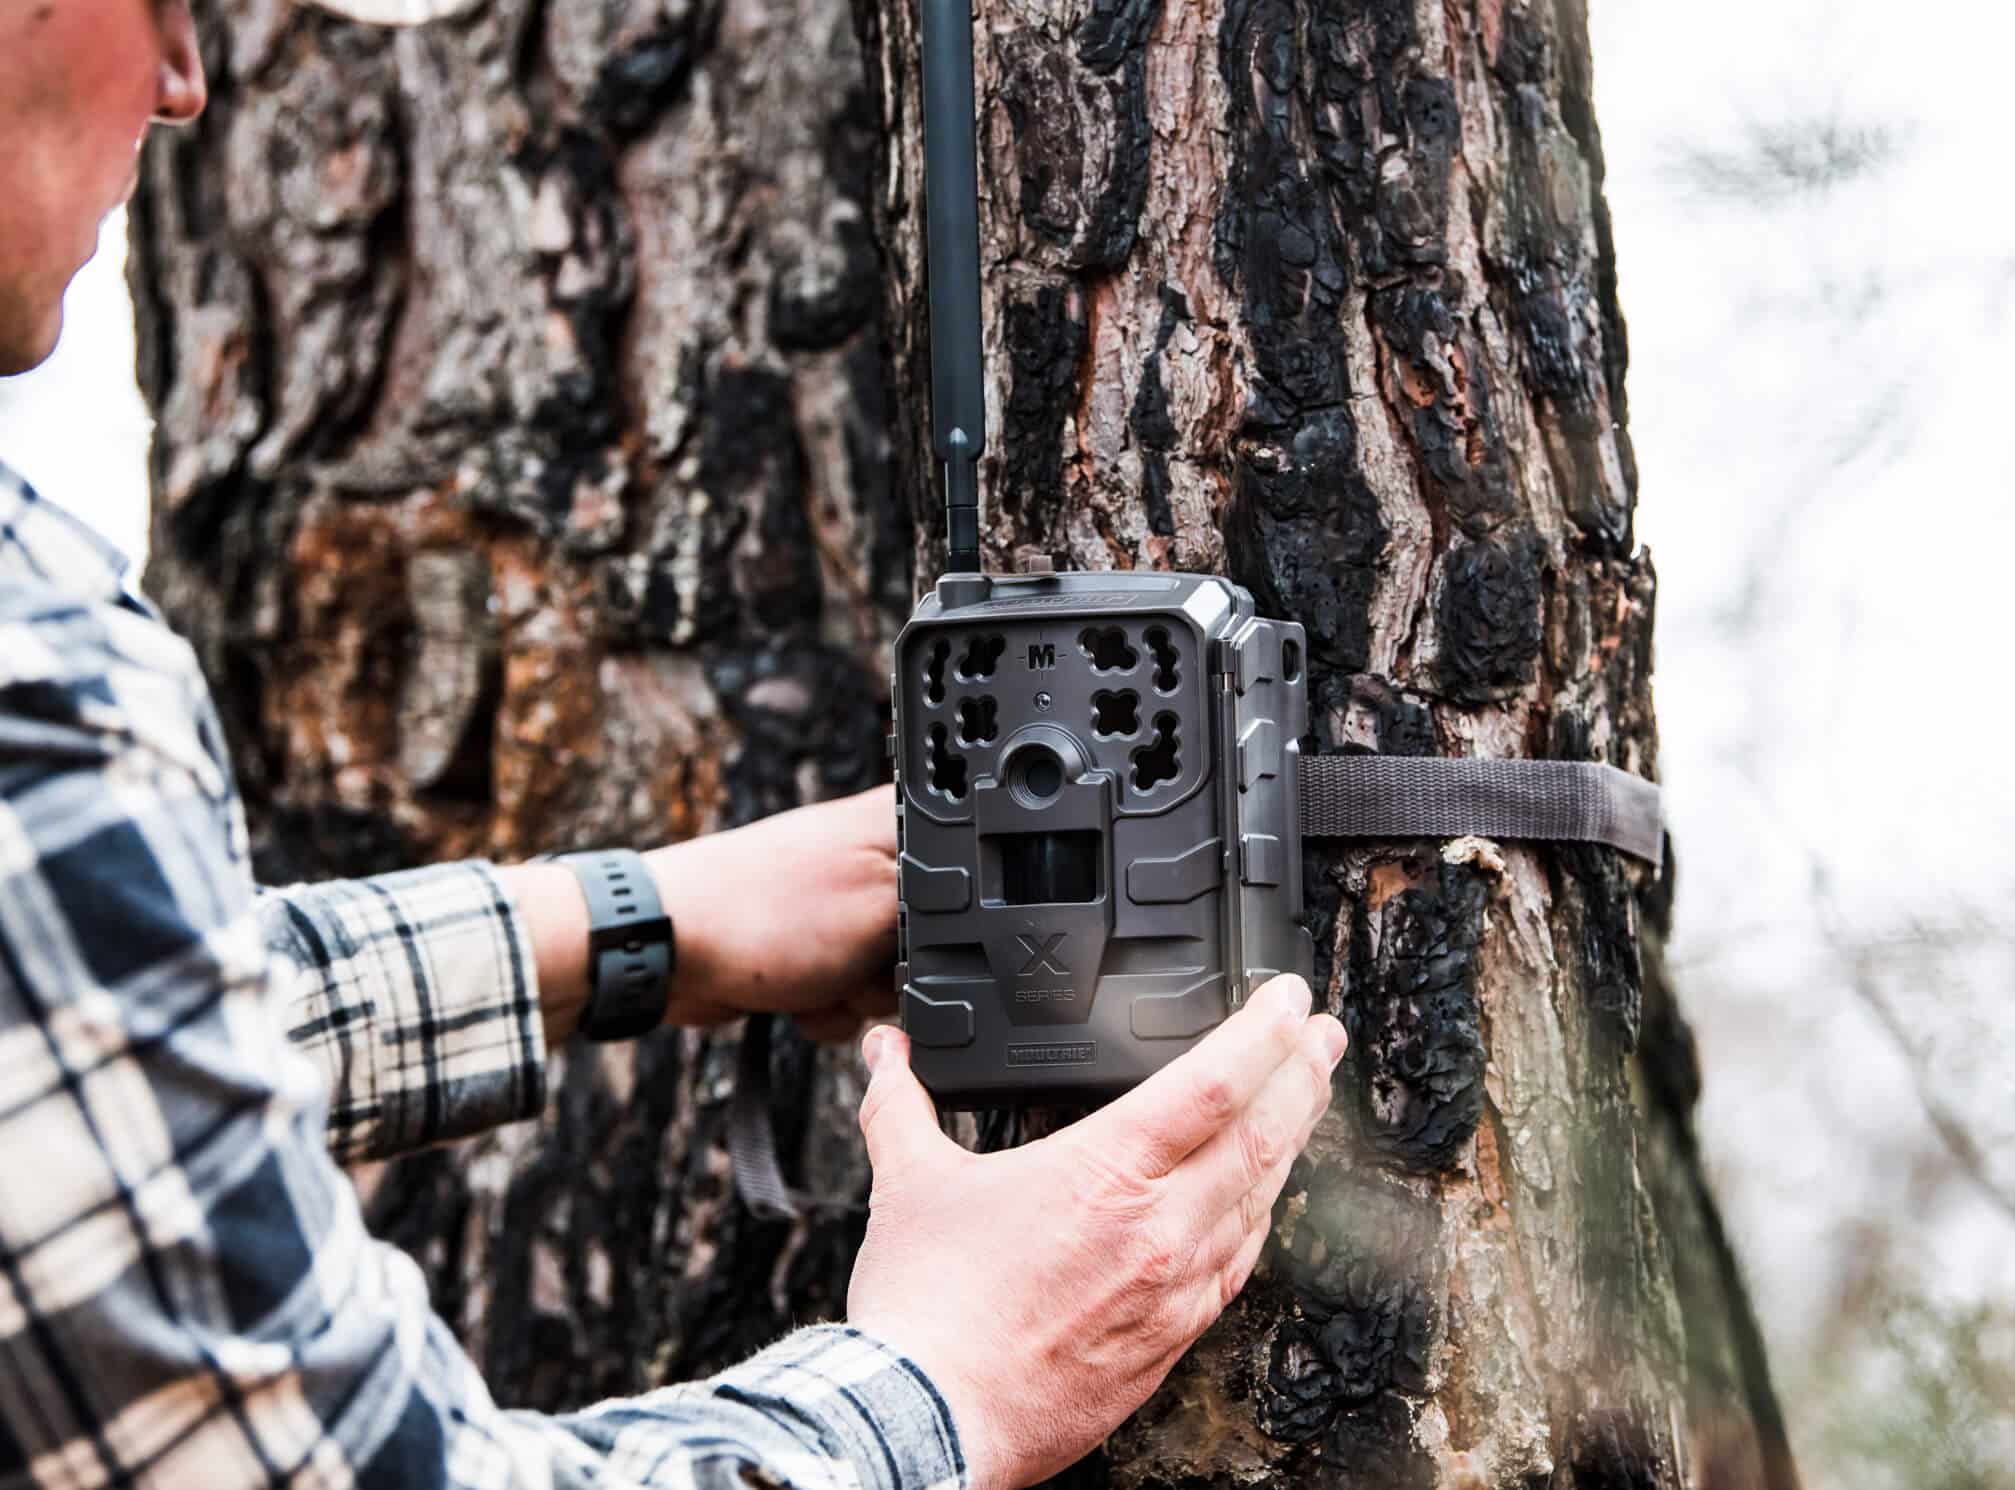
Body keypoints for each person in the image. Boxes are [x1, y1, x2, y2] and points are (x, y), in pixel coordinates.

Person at [0, 2, 1350, 1488]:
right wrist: (943, 1381)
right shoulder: (33, 645)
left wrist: (627, 924)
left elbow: (61, 1060)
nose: (189, 84)